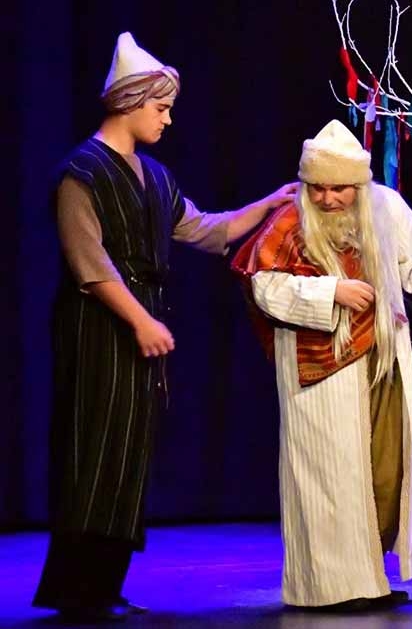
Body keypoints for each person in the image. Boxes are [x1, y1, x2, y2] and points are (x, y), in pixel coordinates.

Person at [35, 32, 296, 622]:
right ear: (130, 102)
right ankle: (77, 590)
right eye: (160, 107)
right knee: (93, 448)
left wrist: (269, 203)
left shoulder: (154, 175)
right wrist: (141, 320)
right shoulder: (81, 173)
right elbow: (90, 264)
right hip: (99, 326)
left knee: (128, 452)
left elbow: (206, 229)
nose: (168, 119)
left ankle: (104, 587)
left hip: (142, 319)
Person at [231, 119, 412, 609]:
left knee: (380, 471)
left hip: (379, 360)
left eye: (338, 189)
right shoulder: (290, 219)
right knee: (329, 478)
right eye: (317, 188)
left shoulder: (385, 207)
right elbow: (264, 286)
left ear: (359, 186)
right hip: (318, 372)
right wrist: (332, 292)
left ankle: (368, 581)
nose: (326, 199)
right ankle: (327, 589)